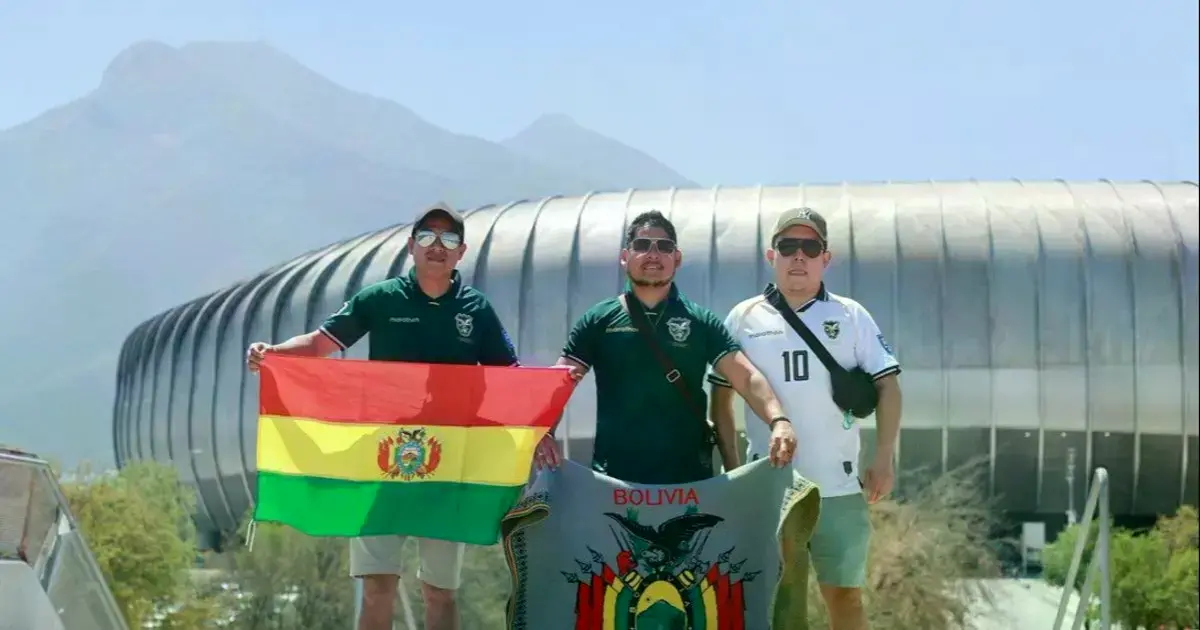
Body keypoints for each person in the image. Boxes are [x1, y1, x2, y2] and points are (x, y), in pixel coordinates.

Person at [246, 202, 519, 630]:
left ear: (461, 252)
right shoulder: (381, 299)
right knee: (377, 586)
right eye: (427, 236)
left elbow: (512, 379)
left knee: (441, 593)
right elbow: (321, 344)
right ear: (411, 246)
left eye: (448, 239)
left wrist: (542, 423)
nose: (437, 246)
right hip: (384, 459)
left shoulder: (476, 309)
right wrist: (274, 353)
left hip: (450, 466)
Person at [707, 207, 903, 630]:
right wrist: (733, 469)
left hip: (840, 487)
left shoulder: (851, 316)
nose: (799, 256)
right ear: (770, 255)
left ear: (825, 258)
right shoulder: (743, 317)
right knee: (781, 608)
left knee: (846, 601)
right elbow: (720, 400)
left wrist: (884, 457)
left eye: (810, 247)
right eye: (788, 246)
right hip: (774, 488)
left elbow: (888, 386)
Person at [533, 209, 798, 484]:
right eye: (642, 245)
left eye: (664, 247)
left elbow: (747, 376)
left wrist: (779, 421)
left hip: (689, 483)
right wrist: (544, 433)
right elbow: (561, 380)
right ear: (625, 257)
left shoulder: (700, 321)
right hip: (614, 484)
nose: (653, 254)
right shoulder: (599, 320)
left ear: (677, 258)